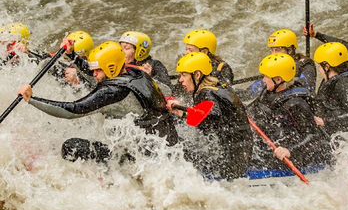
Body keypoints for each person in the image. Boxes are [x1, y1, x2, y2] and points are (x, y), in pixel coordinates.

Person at [18, 41, 178, 163]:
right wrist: (72, 54)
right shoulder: (137, 73)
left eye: (98, 70)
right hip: (165, 145)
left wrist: (31, 99)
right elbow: (166, 92)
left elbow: (71, 111)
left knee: (71, 147)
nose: (94, 74)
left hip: (142, 158)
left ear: (111, 68)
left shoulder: (112, 91)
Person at [167, 52, 251, 180]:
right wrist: (183, 113)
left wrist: (182, 111)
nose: (180, 80)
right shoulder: (218, 85)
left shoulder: (207, 93)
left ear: (197, 75)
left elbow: (212, 117)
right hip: (240, 151)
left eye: (184, 75)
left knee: (177, 150)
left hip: (232, 161)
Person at [247, 53, 331, 171]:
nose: (263, 80)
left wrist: (289, 151)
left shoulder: (296, 104)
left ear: (278, 80)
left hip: (297, 155)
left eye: (266, 76)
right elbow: (253, 109)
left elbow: (313, 136)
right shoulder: (268, 92)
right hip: (274, 142)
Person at [238, 28, 316, 101]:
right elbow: (249, 92)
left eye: (277, 50)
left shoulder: (306, 66)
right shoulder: (275, 65)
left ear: (289, 50)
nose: (273, 54)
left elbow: (305, 91)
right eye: (272, 50)